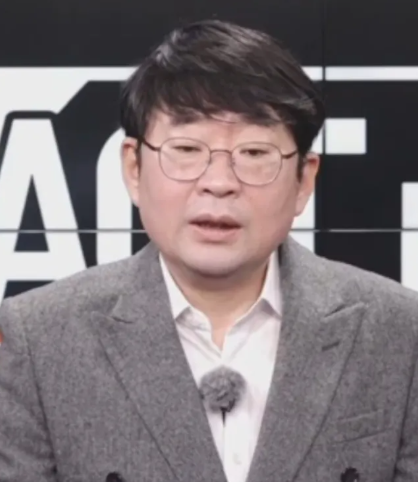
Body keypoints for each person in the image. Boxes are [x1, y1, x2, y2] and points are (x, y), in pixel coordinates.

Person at [0, 19, 417, 482]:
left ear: (304, 179)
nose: (218, 183)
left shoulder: (402, 332)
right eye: (186, 149)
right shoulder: (36, 339)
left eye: (254, 153)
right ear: (134, 168)